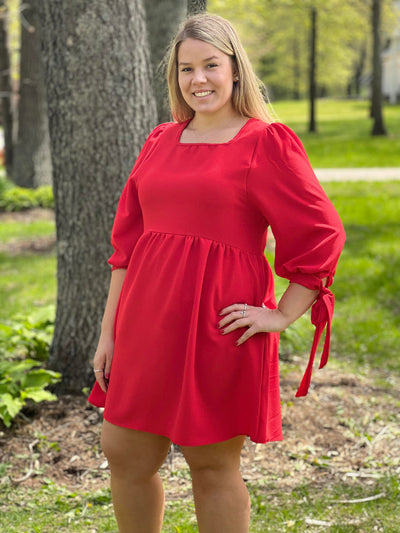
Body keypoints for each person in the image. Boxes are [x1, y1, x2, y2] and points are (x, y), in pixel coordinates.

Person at [88, 13, 345, 533]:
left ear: (235, 70)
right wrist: (108, 330)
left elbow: (322, 230)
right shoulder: (160, 139)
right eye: (186, 69)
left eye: (211, 65)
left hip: (218, 325)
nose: (198, 79)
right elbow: (127, 246)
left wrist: (282, 314)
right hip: (146, 320)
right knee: (124, 451)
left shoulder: (265, 142)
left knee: (211, 465)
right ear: (175, 76)